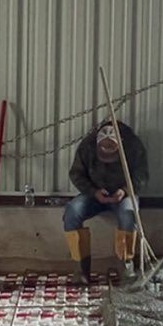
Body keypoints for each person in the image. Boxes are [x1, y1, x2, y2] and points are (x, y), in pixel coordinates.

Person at [63, 118, 149, 283]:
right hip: (94, 193)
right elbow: (76, 174)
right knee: (72, 212)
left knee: (129, 214)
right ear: (97, 145)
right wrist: (93, 192)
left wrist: (124, 191)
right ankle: (81, 269)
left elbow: (142, 176)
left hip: (123, 194)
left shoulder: (133, 146)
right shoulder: (87, 146)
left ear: (121, 144)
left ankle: (126, 265)